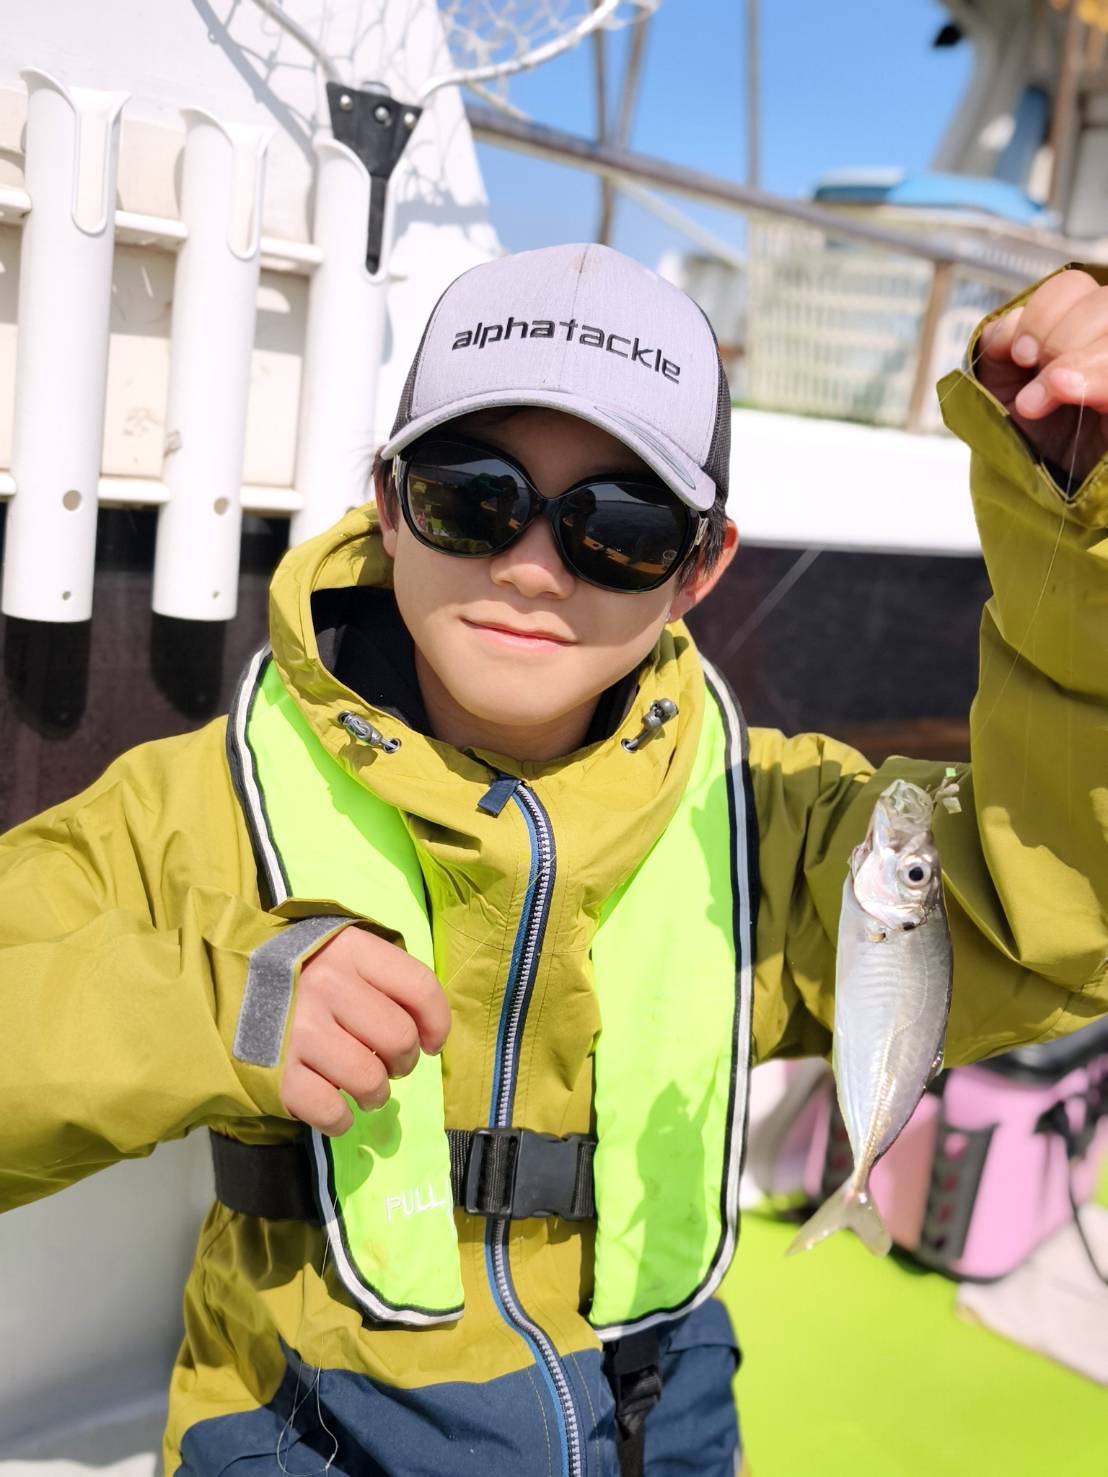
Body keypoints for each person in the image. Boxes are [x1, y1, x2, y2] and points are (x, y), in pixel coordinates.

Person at [1, 243, 1105, 1477]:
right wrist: (228, 1004)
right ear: (386, 499)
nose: (529, 565)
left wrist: (1084, 518)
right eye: (472, 495)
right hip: (308, 1424)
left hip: (658, 1415)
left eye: (616, 527)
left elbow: (1051, 910)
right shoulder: (194, 807)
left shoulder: (780, 821)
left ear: (701, 567)